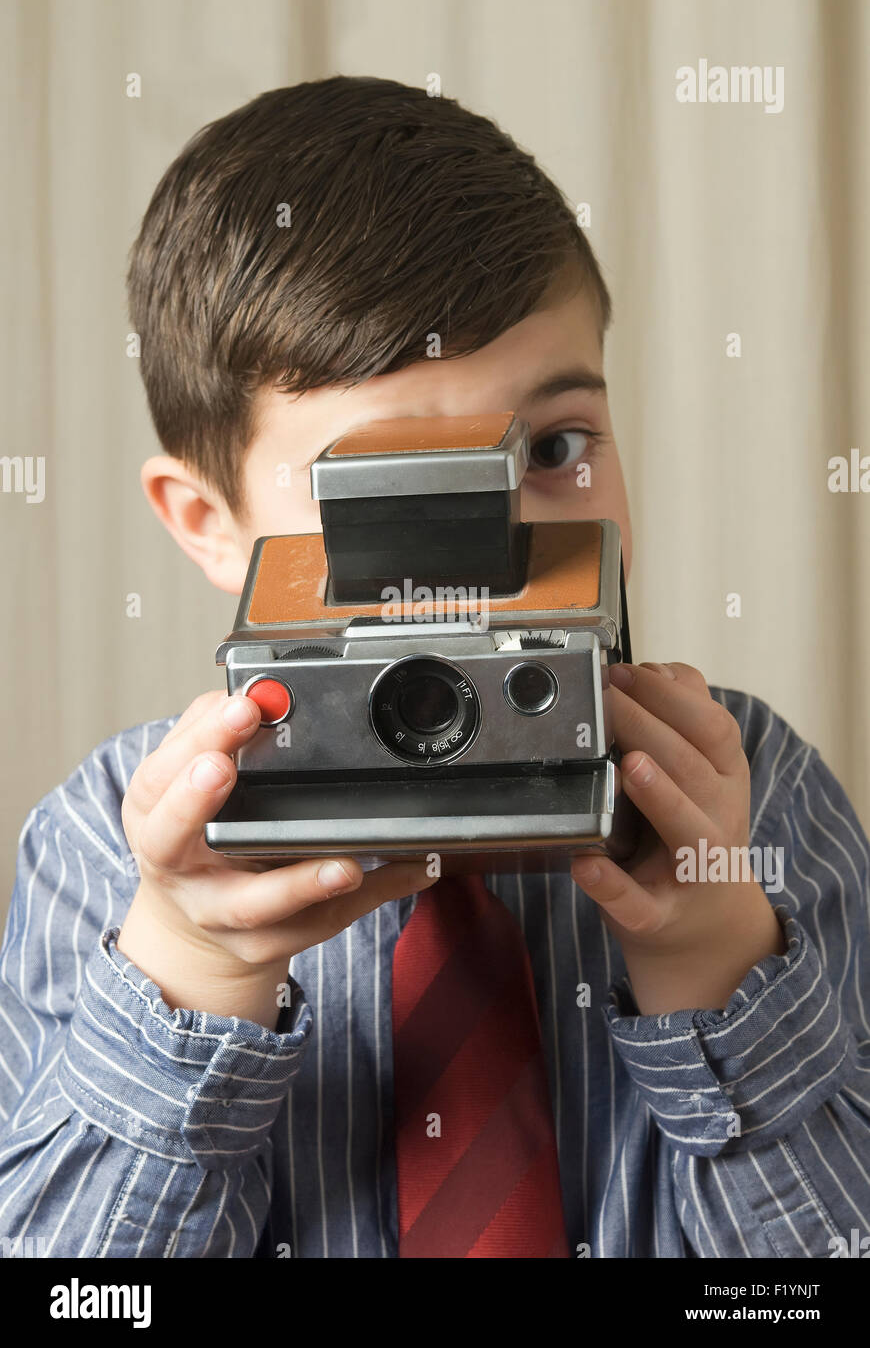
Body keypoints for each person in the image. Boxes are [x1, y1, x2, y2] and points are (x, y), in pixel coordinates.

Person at [1, 77, 867, 1259]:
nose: (477, 567)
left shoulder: (747, 791)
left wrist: (717, 963)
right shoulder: (102, 849)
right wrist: (191, 972)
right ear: (207, 523)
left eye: (555, 448)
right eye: (381, 498)